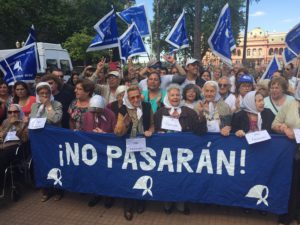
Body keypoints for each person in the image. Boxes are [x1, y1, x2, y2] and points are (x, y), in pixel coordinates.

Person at [154, 84, 206, 215]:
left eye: (177, 95)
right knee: (167, 179)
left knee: (183, 179)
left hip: (184, 155)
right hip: (166, 155)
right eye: (172, 95)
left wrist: (201, 114)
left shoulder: (189, 112)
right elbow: (155, 131)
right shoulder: (160, 112)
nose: (175, 97)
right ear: (168, 96)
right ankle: (167, 203)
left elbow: (200, 131)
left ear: (181, 97)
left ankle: (181, 203)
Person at [114, 85, 154, 221]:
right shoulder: (123, 109)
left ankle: (141, 201)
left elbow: (152, 125)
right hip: (128, 148)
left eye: (138, 96)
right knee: (128, 176)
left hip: (144, 148)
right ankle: (128, 205)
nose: (136, 99)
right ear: (128, 98)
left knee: (142, 175)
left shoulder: (147, 106)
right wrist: (124, 123)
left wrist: (151, 131)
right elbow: (118, 133)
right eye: (132, 97)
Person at [272, 82, 300, 225]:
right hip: (293, 154)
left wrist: (296, 133)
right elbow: (274, 123)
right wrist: (283, 128)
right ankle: (289, 214)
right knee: (292, 184)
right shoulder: (290, 104)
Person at [30, 82, 63, 201]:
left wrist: (48, 106)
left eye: (47, 93)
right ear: (37, 94)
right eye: (41, 93)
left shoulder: (57, 104)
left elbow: (55, 119)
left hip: (53, 140)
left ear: (50, 93)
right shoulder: (34, 106)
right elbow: (32, 121)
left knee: (55, 164)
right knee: (42, 164)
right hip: (39, 140)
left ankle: (58, 190)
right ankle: (46, 190)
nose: (44, 95)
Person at [82, 95, 116, 208]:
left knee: (108, 173)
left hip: (107, 150)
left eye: (98, 110)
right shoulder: (87, 115)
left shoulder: (111, 115)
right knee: (94, 173)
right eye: (93, 111)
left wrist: (104, 135)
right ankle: (96, 194)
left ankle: (109, 195)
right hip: (92, 150)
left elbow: (116, 134)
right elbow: (84, 131)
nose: (95, 113)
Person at [0, 104, 28, 196]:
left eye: (15, 112)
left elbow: (24, 139)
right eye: (10, 112)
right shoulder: (5, 122)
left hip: (15, 148)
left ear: (19, 112)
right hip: (3, 146)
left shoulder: (24, 122)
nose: (12, 114)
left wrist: (20, 125)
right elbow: (1, 136)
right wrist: (9, 125)